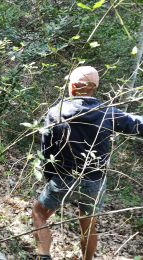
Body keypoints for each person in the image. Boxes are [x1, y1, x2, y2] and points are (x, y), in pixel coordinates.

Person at [32, 66, 143, 260]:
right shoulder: (108, 113)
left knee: (39, 213)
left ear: (73, 87)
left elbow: (46, 151)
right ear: (95, 88)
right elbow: (136, 123)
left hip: (64, 177)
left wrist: (50, 177)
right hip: (94, 181)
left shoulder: (56, 112)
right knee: (89, 223)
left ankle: (44, 256)